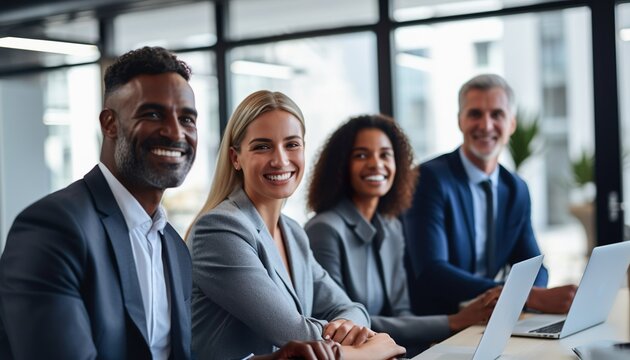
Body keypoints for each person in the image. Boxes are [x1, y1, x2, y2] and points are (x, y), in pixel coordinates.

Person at [0, 47, 346, 360]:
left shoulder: (171, 247)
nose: (175, 132)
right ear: (110, 124)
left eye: (187, 118)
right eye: (152, 115)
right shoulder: (54, 228)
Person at [186, 90, 406, 360]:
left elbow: (351, 308)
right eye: (262, 146)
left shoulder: (293, 233)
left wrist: (351, 329)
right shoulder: (218, 230)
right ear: (235, 158)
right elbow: (294, 333)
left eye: (292, 144)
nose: (280, 160)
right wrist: (371, 350)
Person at [305, 114, 500, 356]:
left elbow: (401, 312)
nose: (376, 164)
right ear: (341, 165)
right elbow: (345, 328)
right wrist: (453, 322)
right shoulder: (324, 230)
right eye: (361, 155)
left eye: (385, 154)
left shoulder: (391, 226)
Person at [402, 73, 577, 317]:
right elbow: (432, 272)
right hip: (438, 322)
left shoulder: (515, 188)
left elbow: (532, 264)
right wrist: (526, 296)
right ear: (460, 121)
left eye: (497, 114)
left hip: (490, 317)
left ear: (511, 124)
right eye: (475, 114)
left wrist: (537, 295)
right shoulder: (428, 179)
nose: (486, 125)